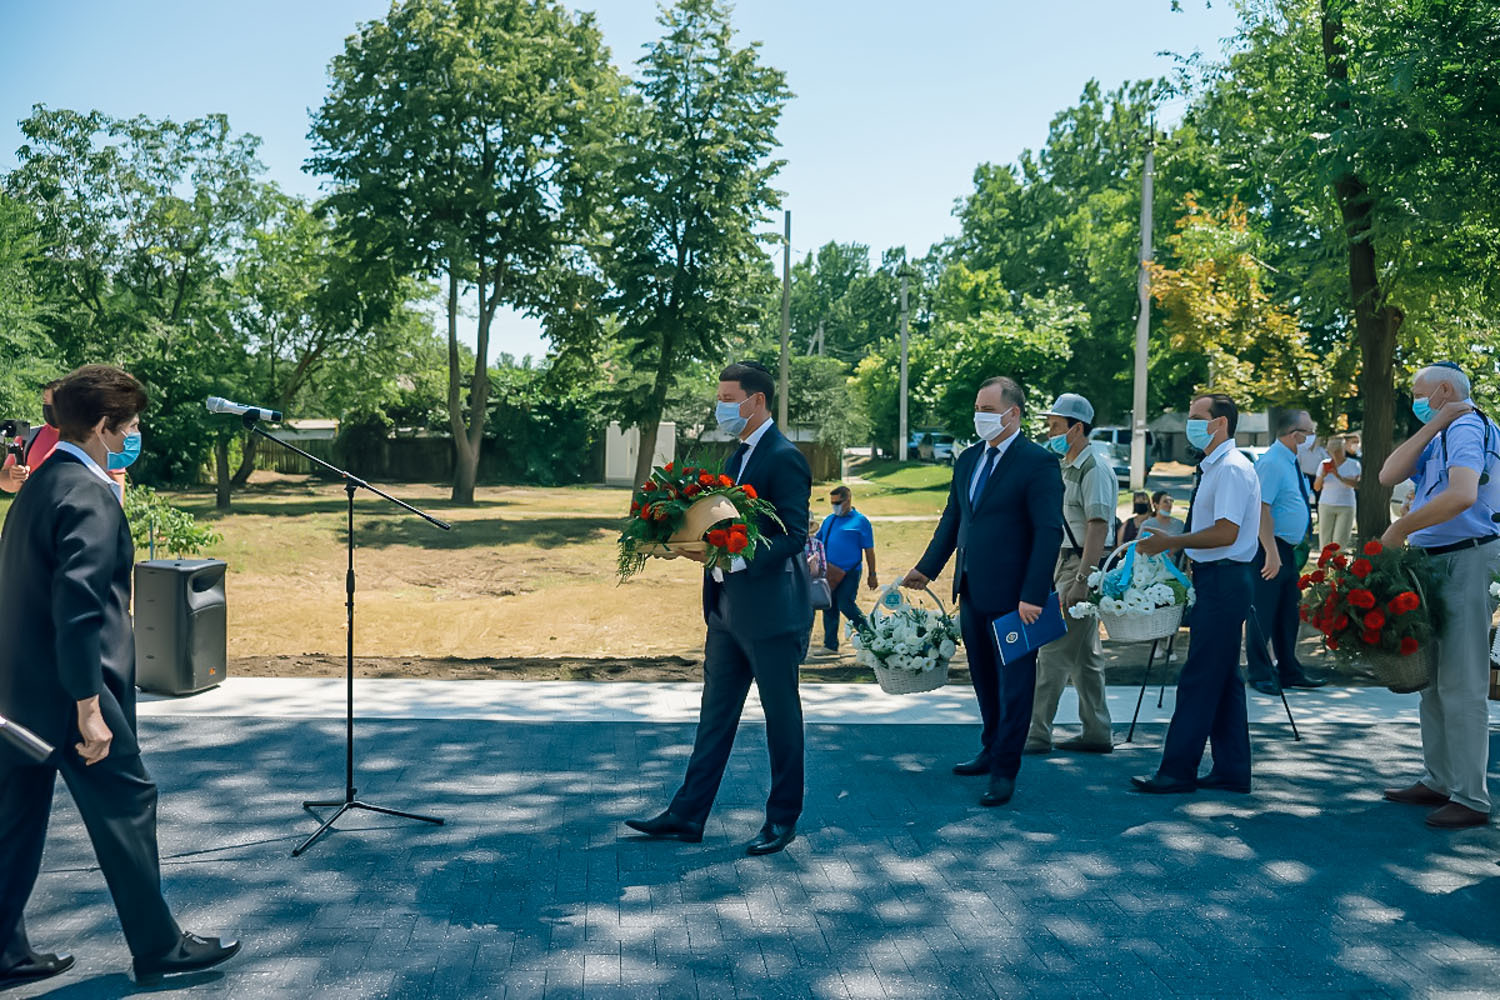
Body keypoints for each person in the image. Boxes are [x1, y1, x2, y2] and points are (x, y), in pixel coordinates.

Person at [0, 365, 240, 990]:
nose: (135, 434)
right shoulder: (86, 495)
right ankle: (160, 947)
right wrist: (87, 706)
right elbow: (79, 609)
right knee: (127, 806)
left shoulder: (44, 483)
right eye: (129, 425)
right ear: (105, 428)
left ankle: (3, 950)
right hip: (77, 692)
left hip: (18, 693)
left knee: (16, 822)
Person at [626, 361, 812, 856]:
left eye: (729, 397)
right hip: (726, 610)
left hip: (771, 615)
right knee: (714, 717)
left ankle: (782, 818)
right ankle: (687, 815)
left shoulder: (784, 457)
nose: (722, 406)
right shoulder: (734, 458)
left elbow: (794, 536)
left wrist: (735, 553)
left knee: (781, 718)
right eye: (721, 397)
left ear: (757, 401)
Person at [899, 376, 1063, 808]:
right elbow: (954, 520)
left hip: (1017, 602)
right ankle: (991, 749)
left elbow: (1047, 533)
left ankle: (1006, 770)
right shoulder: (969, 459)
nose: (980, 416)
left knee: (1015, 685)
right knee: (985, 680)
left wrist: (1033, 593)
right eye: (978, 407)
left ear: (1014, 413)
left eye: (989, 409)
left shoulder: (1038, 463)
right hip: (971, 591)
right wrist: (926, 569)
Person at [1378, 363, 1500, 829]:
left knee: (1462, 683)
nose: (1415, 400)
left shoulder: (1468, 427)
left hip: (1466, 558)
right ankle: (1441, 779)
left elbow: (1463, 495)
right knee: (1432, 680)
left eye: (1420, 393)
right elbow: (1390, 474)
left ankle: (1470, 797)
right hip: (1437, 560)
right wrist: (1435, 421)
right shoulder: (1444, 428)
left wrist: (1401, 527)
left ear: (1444, 389)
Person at [1133, 392, 1270, 795]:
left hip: (1225, 580)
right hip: (1220, 579)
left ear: (1220, 423)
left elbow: (1226, 531)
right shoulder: (1218, 466)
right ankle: (1232, 770)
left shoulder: (1229, 468)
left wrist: (1172, 542)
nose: (1189, 424)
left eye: (1196, 417)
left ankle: (1177, 770)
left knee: (1198, 677)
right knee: (1223, 677)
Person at [1027, 393, 1116, 755]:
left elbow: (1098, 526)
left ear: (1076, 428)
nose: (1050, 433)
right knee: (1085, 657)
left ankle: (1035, 733)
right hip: (1068, 563)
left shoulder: (1094, 467)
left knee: (1052, 652)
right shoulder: (1070, 464)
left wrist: (1082, 579)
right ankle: (1096, 731)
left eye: (1055, 426)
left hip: (1080, 566)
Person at [1244, 410, 1327, 695]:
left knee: (1288, 612)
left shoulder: (1289, 461)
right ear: (1295, 434)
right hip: (1270, 547)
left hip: (1286, 549)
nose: (1312, 437)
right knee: (1263, 612)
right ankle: (1258, 672)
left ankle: (1288, 669)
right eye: (1309, 431)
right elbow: (1260, 508)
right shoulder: (1272, 463)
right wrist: (1270, 551)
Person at [808, 485, 876, 658]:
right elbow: (818, 541)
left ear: (848, 500)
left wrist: (872, 574)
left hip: (851, 571)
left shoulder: (861, 521)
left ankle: (870, 638)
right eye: (832, 503)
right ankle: (830, 645)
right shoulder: (830, 520)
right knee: (828, 606)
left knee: (846, 603)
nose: (835, 506)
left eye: (838, 502)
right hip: (829, 572)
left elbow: (869, 550)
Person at [1315, 434, 1361, 552]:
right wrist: (1322, 476)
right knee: (1325, 542)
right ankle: (1324, 569)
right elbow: (1316, 487)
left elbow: (1357, 485)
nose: (1336, 454)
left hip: (1346, 506)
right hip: (1326, 505)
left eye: (1338, 451)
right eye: (1333, 452)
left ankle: (1337, 569)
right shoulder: (1324, 464)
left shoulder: (1353, 464)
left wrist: (1338, 476)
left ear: (1343, 449)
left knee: (1339, 542)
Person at [1296, 430, 1330, 511]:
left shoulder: (1320, 450)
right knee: (1304, 498)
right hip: (1304, 476)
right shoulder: (1300, 450)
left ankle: (1320, 516)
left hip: (1317, 476)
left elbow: (1327, 461)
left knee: (1319, 497)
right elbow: (1297, 464)